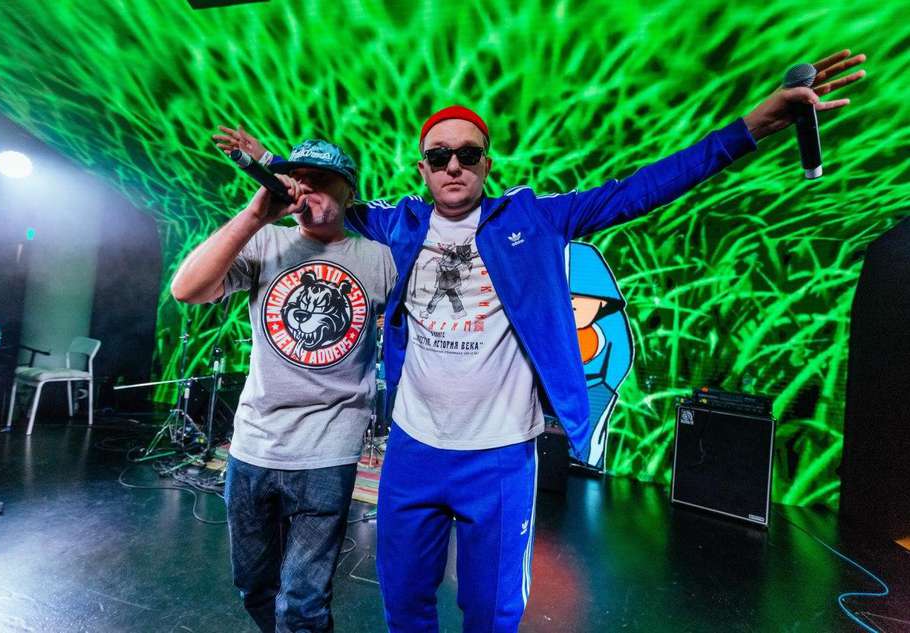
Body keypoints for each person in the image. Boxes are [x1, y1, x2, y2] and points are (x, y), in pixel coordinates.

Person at [219, 49, 866, 632]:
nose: (453, 165)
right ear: (422, 168)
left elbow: (642, 189)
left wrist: (756, 124)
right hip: (414, 451)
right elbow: (324, 198)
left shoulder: (534, 217)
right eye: (439, 156)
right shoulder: (398, 223)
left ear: (486, 163)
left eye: (467, 154)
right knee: (405, 605)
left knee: (492, 615)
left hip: (500, 455)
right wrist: (270, 167)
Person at [171, 138, 396, 633]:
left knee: (303, 600)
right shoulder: (265, 242)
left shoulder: (379, 258)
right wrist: (255, 215)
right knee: (254, 585)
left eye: (321, 180)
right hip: (254, 445)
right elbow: (186, 289)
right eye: (300, 179)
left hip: (328, 451)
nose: (307, 188)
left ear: (350, 191)